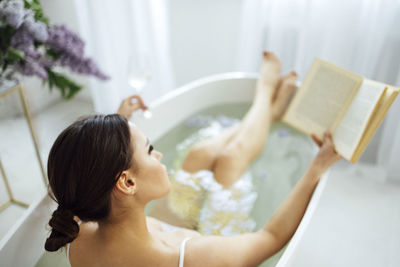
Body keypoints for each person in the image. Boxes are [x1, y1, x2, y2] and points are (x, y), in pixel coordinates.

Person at [44, 52, 341, 267]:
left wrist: (116, 126)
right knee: (230, 160)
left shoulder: (75, 236)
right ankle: (264, 97)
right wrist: (317, 167)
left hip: (161, 226)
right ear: (127, 181)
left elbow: (83, 169)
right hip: (215, 230)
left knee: (199, 154)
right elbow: (271, 236)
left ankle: (265, 113)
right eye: (149, 150)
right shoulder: (195, 258)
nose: (158, 154)